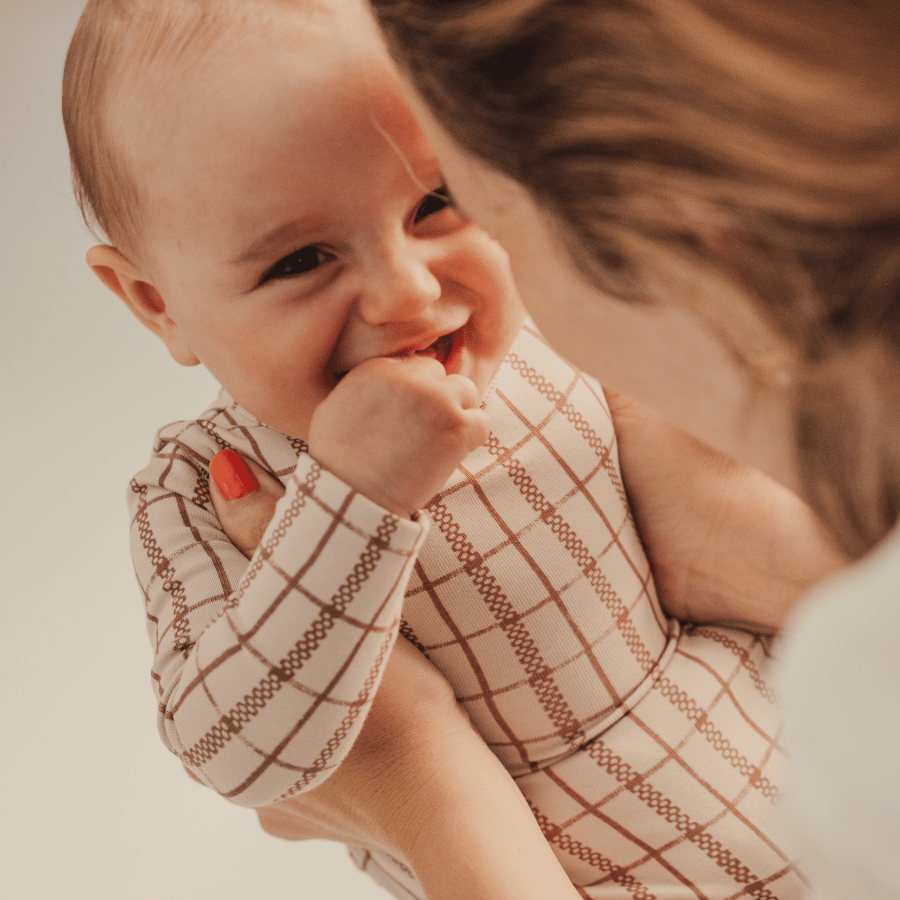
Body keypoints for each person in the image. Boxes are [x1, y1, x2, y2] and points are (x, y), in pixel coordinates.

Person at [61, 0, 802, 897]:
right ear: (155, 302)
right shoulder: (201, 490)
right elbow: (234, 755)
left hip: (795, 750)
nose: (408, 295)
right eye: (300, 262)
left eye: (437, 201)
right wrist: (353, 493)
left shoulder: (557, 330)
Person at [365, 0, 900, 897]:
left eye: (455, 202)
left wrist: (418, 778)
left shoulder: (862, 698)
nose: (407, 299)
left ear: (675, 234)